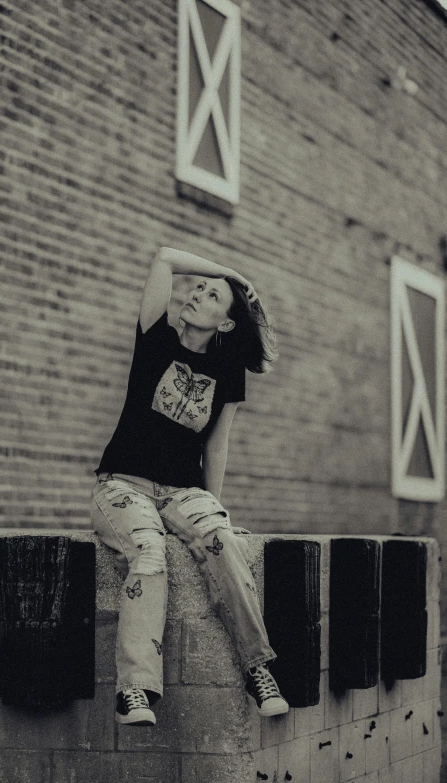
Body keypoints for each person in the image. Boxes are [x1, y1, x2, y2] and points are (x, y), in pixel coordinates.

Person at [90, 245, 288, 726]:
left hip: (181, 492)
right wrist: (229, 271)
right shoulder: (155, 337)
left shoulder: (227, 372)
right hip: (123, 485)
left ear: (225, 323)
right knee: (148, 550)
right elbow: (161, 257)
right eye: (198, 286)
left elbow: (216, 447)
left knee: (221, 539)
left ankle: (258, 668)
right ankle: (135, 691)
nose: (197, 292)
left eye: (212, 294)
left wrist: (212, 512)